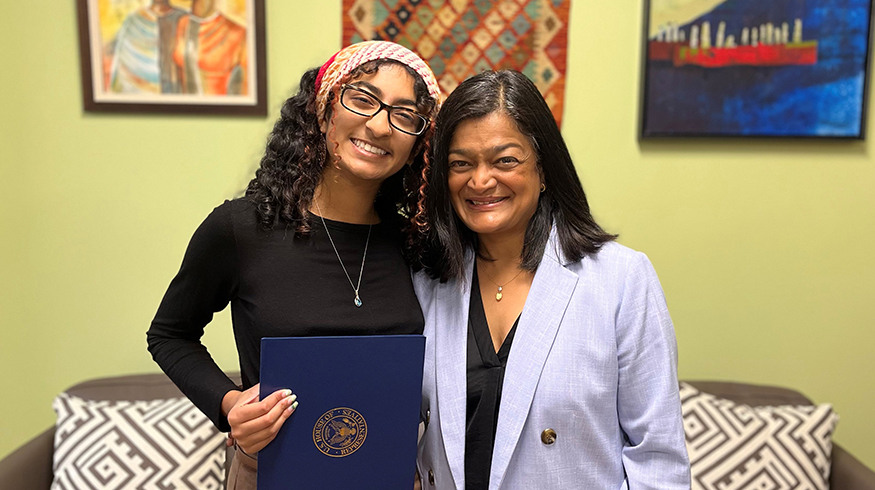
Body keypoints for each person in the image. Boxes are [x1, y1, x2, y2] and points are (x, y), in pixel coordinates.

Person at [147, 41, 441, 489]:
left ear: (417, 142)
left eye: (404, 115)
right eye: (362, 99)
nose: (381, 126)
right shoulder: (242, 227)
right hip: (275, 473)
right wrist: (229, 405)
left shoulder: (414, 242)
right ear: (323, 113)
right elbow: (170, 335)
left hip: (391, 476)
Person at [412, 70, 690, 489]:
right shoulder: (427, 280)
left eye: (505, 160)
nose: (480, 180)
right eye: (460, 164)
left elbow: (659, 459)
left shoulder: (621, 280)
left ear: (543, 171)